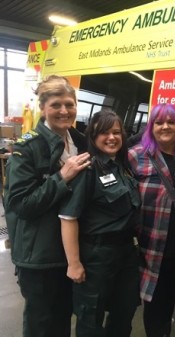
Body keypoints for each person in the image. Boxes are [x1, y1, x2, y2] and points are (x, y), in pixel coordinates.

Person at [3, 75, 89, 337]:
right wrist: (62, 178)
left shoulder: (81, 141)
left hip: (71, 251)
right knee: (41, 322)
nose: (64, 111)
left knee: (63, 318)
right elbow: (20, 204)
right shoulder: (27, 147)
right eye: (56, 105)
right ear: (43, 107)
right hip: (38, 255)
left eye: (69, 104)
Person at [59, 110, 141, 336]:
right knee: (90, 318)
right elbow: (68, 217)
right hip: (96, 255)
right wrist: (73, 263)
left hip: (126, 253)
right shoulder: (87, 169)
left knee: (124, 313)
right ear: (93, 136)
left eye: (116, 132)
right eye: (104, 132)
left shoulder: (123, 167)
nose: (112, 137)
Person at [128, 103, 175, 337]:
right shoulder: (135, 157)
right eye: (159, 122)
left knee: (167, 303)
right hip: (147, 249)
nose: (165, 127)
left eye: (171, 122)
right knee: (151, 306)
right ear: (151, 127)